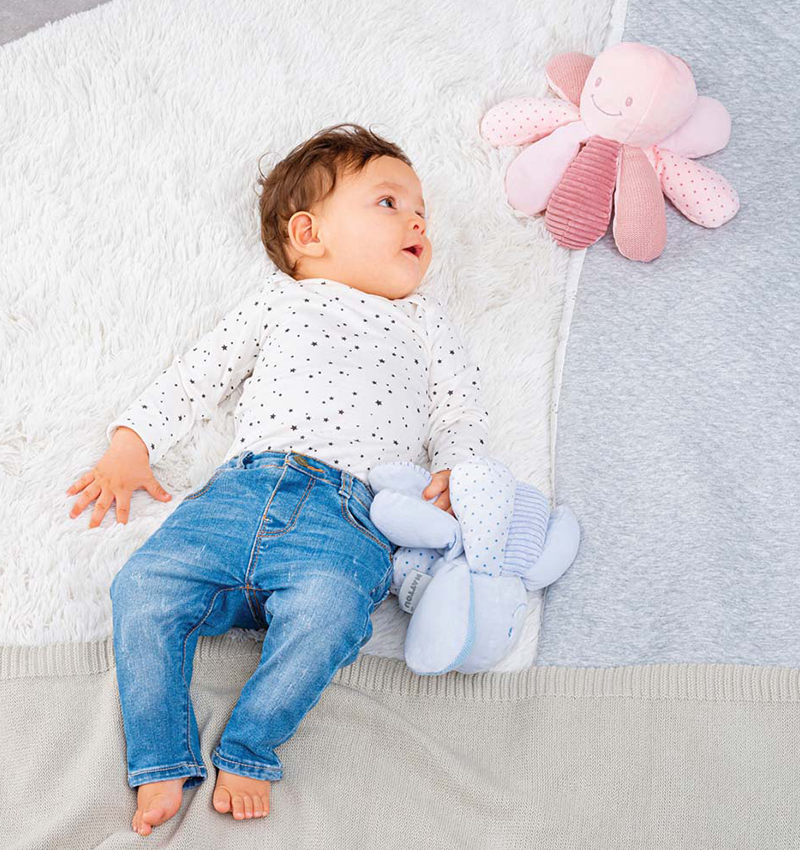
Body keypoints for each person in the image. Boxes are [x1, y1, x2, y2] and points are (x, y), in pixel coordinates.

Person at [65, 122, 488, 836]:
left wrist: (456, 469)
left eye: (422, 211)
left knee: (333, 614)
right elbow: (198, 376)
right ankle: (160, 754)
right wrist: (131, 443)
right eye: (389, 202)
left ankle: (249, 743)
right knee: (141, 587)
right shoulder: (280, 301)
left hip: (349, 516)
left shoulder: (423, 322)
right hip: (239, 493)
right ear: (308, 234)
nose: (418, 221)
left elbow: (461, 409)